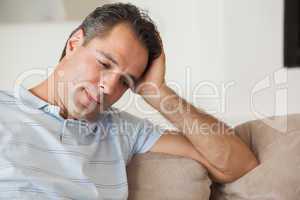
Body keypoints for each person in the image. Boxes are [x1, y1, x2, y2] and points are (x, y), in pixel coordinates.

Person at [0, 3, 258, 199]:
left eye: (126, 81)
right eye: (104, 63)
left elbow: (237, 165)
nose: (109, 87)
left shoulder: (121, 130)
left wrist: (157, 91)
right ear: (74, 43)